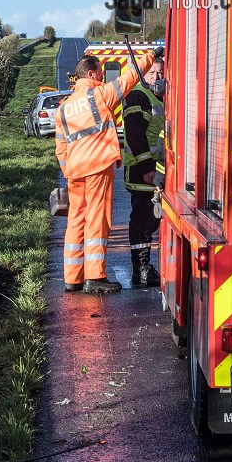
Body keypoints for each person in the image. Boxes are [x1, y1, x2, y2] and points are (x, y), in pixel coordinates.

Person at [55, 46, 156, 294]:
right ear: (91, 74)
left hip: (75, 172)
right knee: (97, 222)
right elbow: (130, 78)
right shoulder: (99, 95)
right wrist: (152, 56)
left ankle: (72, 278)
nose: (102, 77)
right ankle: (95, 277)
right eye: (100, 73)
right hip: (98, 168)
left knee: (76, 222)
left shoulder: (64, 108)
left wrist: (68, 172)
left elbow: (61, 148)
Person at [122, 52, 166, 285]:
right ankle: (141, 270)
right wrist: (148, 169)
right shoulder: (138, 96)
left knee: (151, 222)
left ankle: (145, 268)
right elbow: (135, 135)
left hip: (157, 171)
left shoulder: (159, 96)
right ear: (142, 74)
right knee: (142, 222)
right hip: (142, 172)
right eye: (152, 72)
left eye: (160, 72)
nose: (156, 77)